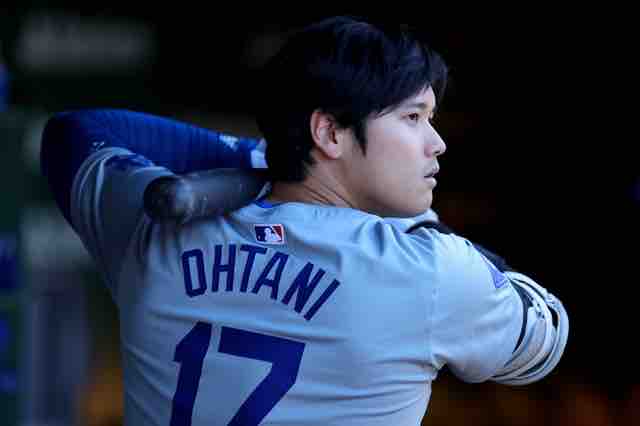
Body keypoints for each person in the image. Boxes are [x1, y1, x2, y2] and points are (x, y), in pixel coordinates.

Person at [40, 16, 568, 426]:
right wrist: (429, 229)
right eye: (412, 118)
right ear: (330, 134)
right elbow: (546, 339)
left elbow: (74, 133)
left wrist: (260, 161)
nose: (437, 143)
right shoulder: (428, 270)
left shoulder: (153, 230)